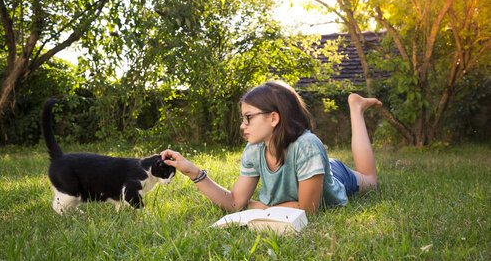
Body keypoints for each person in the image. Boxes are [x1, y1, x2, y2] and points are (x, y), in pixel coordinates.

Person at [160, 81, 382, 214]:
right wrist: (193, 172)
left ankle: (356, 106)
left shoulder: (308, 145)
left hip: (333, 174)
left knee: (370, 180)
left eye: (248, 118)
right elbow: (236, 202)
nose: (242, 125)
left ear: (274, 118)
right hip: (309, 168)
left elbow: (307, 211)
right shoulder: (254, 149)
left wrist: (262, 208)